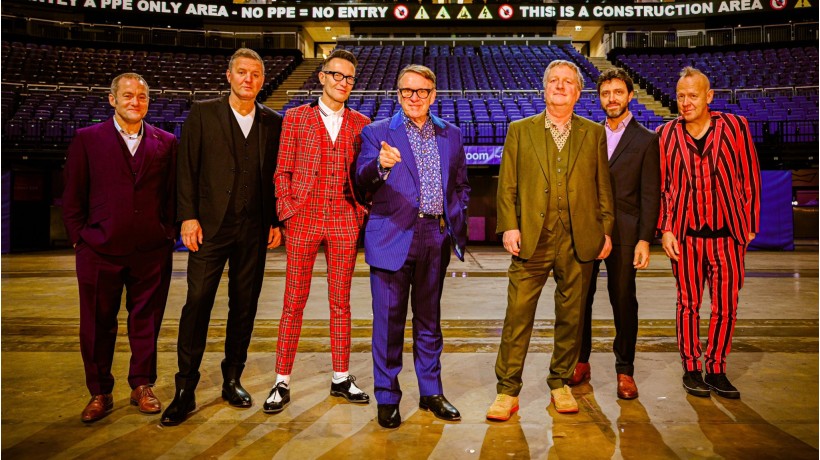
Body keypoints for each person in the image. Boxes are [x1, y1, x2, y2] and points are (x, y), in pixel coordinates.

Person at [161, 48, 283, 426]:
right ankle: (185, 388)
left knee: (244, 306)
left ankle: (232, 379)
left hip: (254, 228)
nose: (249, 79)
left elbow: (275, 176)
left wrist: (274, 220)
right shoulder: (203, 113)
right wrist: (188, 217)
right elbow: (186, 168)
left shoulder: (273, 121)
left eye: (255, 74)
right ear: (229, 76)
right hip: (209, 227)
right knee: (197, 302)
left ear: (262, 81)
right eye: (242, 72)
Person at [488, 60, 614, 420]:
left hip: (579, 239)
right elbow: (507, 185)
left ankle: (560, 382)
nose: (560, 86)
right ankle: (507, 390)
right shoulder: (520, 130)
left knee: (571, 317)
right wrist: (509, 226)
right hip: (532, 238)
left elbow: (602, 186)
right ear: (544, 89)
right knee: (517, 315)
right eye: (554, 81)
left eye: (567, 82)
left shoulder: (593, 133)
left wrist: (606, 230)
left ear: (578, 92)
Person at [356, 64, 470, 429]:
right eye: (407, 91)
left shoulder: (451, 133)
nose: (414, 97)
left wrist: (456, 215)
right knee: (388, 324)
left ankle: (431, 392)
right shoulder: (376, 132)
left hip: (434, 236)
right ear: (398, 94)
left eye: (422, 91)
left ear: (433, 95)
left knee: (429, 321)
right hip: (391, 237)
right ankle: (387, 397)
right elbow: (360, 182)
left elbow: (461, 184)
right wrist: (380, 166)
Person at [62, 72, 177, 423]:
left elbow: (172, 194)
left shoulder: (166, 141)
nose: (134, 102)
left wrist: (167, 233)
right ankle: (99, 391)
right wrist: (80, 239)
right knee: (97, 325)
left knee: (147, 323)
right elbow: (72, 196)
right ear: (112, 99)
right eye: (127, 95)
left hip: (151, 250)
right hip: (98, 249)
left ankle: (142, 384)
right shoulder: (87, 139)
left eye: (141, 96)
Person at [263, 49, 371, 414]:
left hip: (344, 219)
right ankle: (281, 380)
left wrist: (359, 212)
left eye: (349, 78)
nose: (343, 82)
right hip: (303, 218)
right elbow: (282, 170)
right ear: (322, 77)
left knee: (341, 303)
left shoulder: (362, 123)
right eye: (337, 75)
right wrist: (288, 211)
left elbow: (366, 175)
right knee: (293, 302)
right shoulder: (295, 118)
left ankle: (340, 376)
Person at [658, 67, 760, 399]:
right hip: (685, 238)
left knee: (725, 306)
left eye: (693, 95)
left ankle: (716, 368)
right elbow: (664, 188)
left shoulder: (735, 126)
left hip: (728, 236)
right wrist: (666, 228)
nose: (686, 102)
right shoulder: (665, 134)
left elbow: (750, 178)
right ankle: (691, 368)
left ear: (709, 96)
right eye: (681, 96)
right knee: (687, 304)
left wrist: (748, 227)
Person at [569, 69, 660, 400]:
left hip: (625, 231)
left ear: (630, 95)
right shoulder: (588, 134)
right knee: (581, 299)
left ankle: (625, 370)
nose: (612, 98)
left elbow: (650, 194)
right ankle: (581, 361)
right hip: (588, 229)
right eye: (606, 93)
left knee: (622, 300)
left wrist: (644, 239)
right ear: (600, 98)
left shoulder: (647, 139)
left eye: (618, 92)